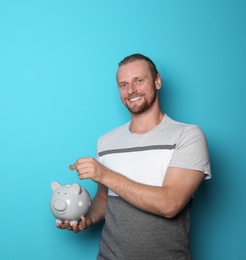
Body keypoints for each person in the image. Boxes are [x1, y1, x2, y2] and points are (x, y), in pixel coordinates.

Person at [57, 53, 211, 259]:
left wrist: (104, 174)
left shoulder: (187, 135)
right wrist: (86, 217)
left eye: (139, 80)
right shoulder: (106, 141)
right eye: (123, 85)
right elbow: (104, 198)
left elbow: (170, 204)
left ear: (157, 82)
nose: (131, 90)